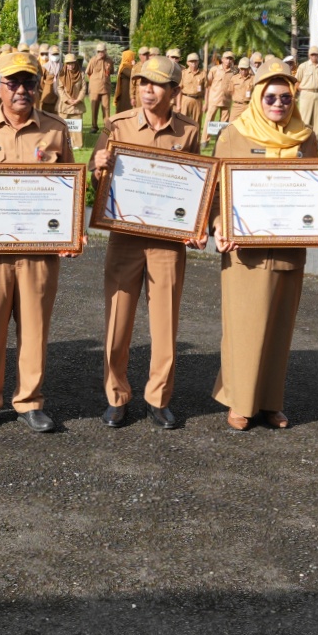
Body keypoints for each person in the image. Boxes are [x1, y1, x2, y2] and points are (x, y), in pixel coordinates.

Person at [0, 50, 76, 433]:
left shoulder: (56, 129)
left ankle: (29, 401)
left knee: (35, 326)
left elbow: (70, 186)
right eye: (14, 82)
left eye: (29, 82)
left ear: (39, 86)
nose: (22, 89)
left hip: (37, 251)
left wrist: (73, 230)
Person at [210, 58, 318, 432]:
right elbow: (216, 190)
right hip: (245, 250)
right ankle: (239, 402)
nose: (279, 104)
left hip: (290, 249)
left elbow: (315, 189)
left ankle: (270, 403)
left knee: (279, 329)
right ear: (258, 97)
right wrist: (217, 224)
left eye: (286, 98)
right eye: (272, 97)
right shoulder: (234, 134)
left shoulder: (305, 137)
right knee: (244, 326)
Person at [91, 54, 202, 429]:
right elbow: (96, 175)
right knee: (118, 321)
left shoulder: (188, 131)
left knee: (165, 322)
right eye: (142, 83)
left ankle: (158, 398)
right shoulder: (117, 125)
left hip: (167, 241)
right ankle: (116, 396)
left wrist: (198, 222)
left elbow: (198, 186)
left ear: (175, 90)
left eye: (156, 84)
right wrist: (98, 167)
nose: (147, 90)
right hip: (125, 236)